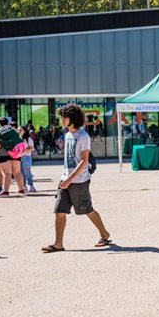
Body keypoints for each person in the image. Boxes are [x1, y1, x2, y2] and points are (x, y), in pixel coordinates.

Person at [43, 103, 111, 253]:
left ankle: (104, 234)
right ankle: (58, 244)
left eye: (64, 117)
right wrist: (65, 179)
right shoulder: (67, 135)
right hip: (65, 179)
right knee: (59, 211)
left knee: (87, 210)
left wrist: (70, 179)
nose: (61, 119)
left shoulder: (83, 136)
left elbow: (84, 160)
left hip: (79, 180)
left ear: (72, 118)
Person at [0, 117, 26, 196]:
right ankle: (21, 189)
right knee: (17, 172)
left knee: (7, 173)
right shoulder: (13, 129)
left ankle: (5, 191)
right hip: (16, 152)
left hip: (4, 154)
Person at [17, 125, 37, 192]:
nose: (19, 131)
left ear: (24, 131)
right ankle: (24, 186)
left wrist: (22, 150)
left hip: (26, 157)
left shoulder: (28, 139)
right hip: (18, 157)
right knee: (21, 172)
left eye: (20, 130)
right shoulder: (17, 138)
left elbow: (32, 148)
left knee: (27, 172)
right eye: (18, 130)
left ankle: (31, 186)